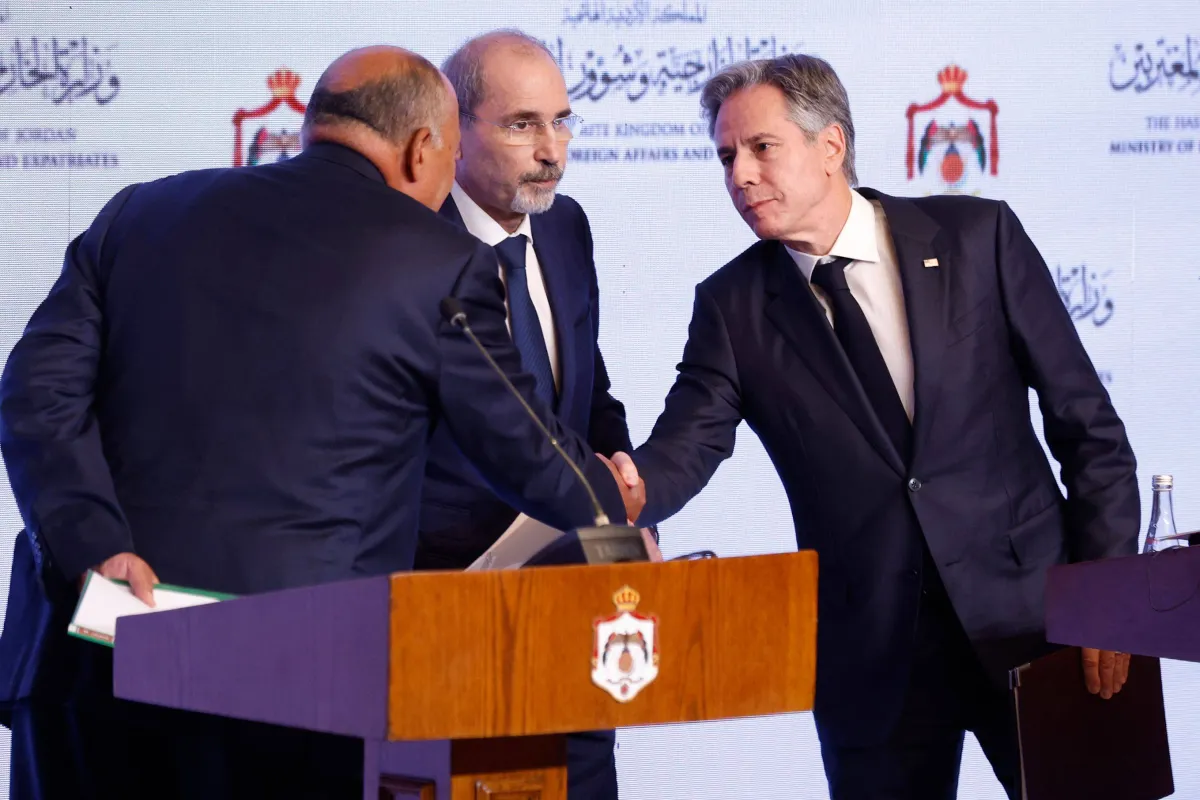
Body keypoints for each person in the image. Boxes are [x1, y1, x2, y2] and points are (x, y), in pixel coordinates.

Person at [0, 45, 640, 799]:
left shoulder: (140, 211)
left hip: (88, 661)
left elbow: (34, 397)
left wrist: (95, 547)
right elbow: (525, 449)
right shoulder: (439, 261)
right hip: (289, 687)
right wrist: (609, 503)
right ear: (422, 149)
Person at [610, 54, 1139, 800]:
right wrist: (623, 491)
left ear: (830, 145)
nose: (740, 175)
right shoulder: (732, 306)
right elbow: (685, 447)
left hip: (1036, 625)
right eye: (727, 157)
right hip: (872, 659)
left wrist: (1109, 600)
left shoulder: (976, 237)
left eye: (762, 148)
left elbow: (1088, 426)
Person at [414, 29, 646, 799]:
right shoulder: (406, 246)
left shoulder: (566, 225)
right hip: (445, 610)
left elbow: (588, 392)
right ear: (453, 130)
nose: (552, 151)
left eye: (562, 122)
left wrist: (620, 490)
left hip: (574, 599)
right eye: (523, 125)